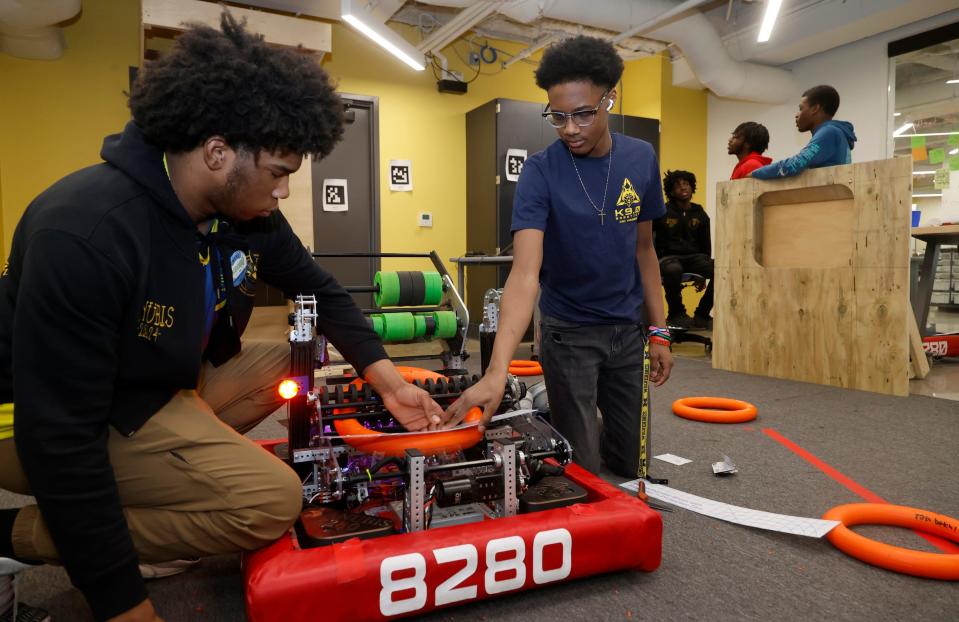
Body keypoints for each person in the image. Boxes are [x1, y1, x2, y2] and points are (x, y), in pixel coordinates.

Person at [0, 13, 443, 622]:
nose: (284, 191)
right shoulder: (86, 230)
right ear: (217, 153)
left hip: (158, 384)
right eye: (279, 173)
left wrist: (388, 383)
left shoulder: (243, 216)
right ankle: (15, 534)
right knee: (271, 501)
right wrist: (126, 606)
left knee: (292, 362)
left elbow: (321, 290)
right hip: (36, 418)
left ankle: (177, 482)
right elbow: (61, 440)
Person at [443, 36, 673, 478]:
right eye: (558, 116)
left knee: (631, 464)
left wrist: (659, 330)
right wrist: (496, 371)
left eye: (584, 113)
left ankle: (564, 422)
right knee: (581, 469)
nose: (570, 128)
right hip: (569, 334)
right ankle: (555, 421)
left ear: (610, 98)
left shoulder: (641, 158)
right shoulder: (540, 172)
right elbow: (525, 276)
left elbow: (644, 250)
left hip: (628, 332)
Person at [750, 85, 856, 179]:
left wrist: (754, 173)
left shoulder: (829, 133)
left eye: (801, 108)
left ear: (815, 108)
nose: (796, 115)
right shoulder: (834, 132)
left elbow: (795, 164)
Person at [653, 170, 713, 330]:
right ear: (671, 191)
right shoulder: (661, 212)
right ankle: (676, 313)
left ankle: (702, 314)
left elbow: (706, 246)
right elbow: (650, 243)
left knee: (722, 270)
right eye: (678, 185)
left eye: (686, 183)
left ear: (692, 187)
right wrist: (653, 269)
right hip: (668, 259)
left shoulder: (700, 214)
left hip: (695, 258)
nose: (683, 187)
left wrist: (703, 272)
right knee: (673, 269)